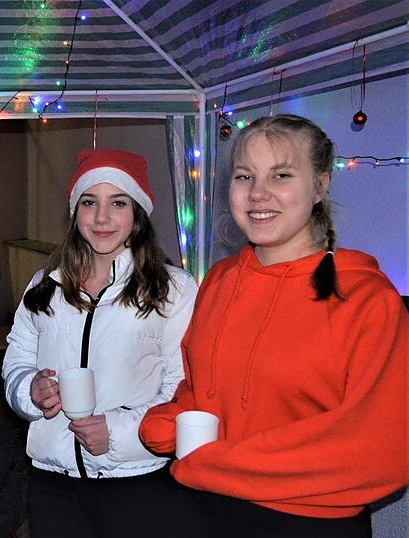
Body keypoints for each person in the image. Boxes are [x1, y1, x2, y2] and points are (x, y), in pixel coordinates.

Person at [140, 114, 409, 537]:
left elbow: (382, 450)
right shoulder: (221, 280)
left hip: (309, 522)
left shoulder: (366, 299)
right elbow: (204, 391)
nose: (258, 193)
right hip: (203, 506)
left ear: (320, 186)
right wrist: (167, 421)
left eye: (281, 174)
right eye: (245, 176)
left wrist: (217, 463)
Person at [1, 149, 199, 537]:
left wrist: (118, 433)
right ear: (76, 213)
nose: (102, 218)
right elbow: (16, 360)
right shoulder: (47, 284)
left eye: (118, 203)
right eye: (90, 202)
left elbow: (182, 388)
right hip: (51, 480)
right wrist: (30, 389)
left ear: (138, 213)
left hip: (135, 479)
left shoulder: (174, 289)